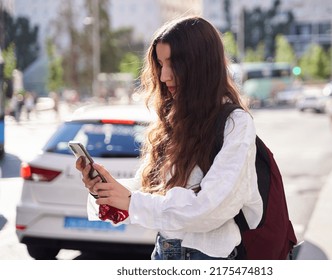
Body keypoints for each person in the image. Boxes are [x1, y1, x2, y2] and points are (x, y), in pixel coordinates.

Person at [76, 16, 262, 260]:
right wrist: (109, 190)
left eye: (172, 64)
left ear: (200, 65)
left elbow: (208, 208)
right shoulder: (175, 119)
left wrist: (131, 201)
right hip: (163, 251)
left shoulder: (234, 123)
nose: (164, 76)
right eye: (160, 65)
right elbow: (155, 192)